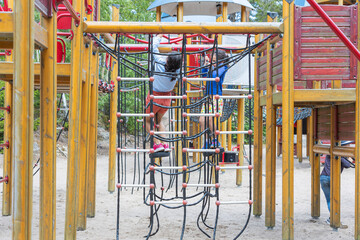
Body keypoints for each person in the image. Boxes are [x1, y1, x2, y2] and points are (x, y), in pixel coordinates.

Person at [145, 34, 182, 152]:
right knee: (158, 121)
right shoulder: (178, 70)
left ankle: (157, 144)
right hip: (167, 99)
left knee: (147, 120)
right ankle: (165, 144)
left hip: (154, 96)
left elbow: (153, 48)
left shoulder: (160, 63)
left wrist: (159, 37)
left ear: (167, 60)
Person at [198, 50, 229, 148]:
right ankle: (207, 141)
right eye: (212, 60)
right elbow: (203, 75)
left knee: (210, 120)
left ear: (221, 61)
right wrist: (205, 65)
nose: (213, 62)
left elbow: (214, 75)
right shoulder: (213, 67)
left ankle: (216, 140)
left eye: (215, 60)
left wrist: (210, 66)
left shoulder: (223, 68)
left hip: (216, 98)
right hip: (207, 98)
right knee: (202, 120)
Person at [320, 142, 353, 226]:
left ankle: (331, 218)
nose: (349, 146)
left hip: (323, 177)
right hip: (333, 178)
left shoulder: (332, 151)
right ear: (343, 146)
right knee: (334, 199)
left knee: (329, 199)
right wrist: (350, 160)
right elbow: (348, 165)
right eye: (347, 145)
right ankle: (334, 220)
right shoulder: (339, 153)